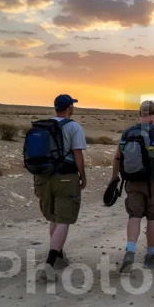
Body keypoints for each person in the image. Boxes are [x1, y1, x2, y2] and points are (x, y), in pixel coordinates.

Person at [110, 101, 154, 272]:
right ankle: (150, 256)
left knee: (134, 215)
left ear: (140, 113)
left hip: (132, 180)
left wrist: (114, 178)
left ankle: (130, 251)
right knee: (153, 217)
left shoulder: (128, 131)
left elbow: (117, 157)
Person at [33, 95, 87, 282]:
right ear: (69, 107)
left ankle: (60, 255)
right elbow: (78, 154)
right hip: (65, 177)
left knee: (54, 217)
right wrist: (83, 176)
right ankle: (49, 263)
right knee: (64, 219)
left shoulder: (42, 126)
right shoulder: (73, 127)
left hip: (42, 177)